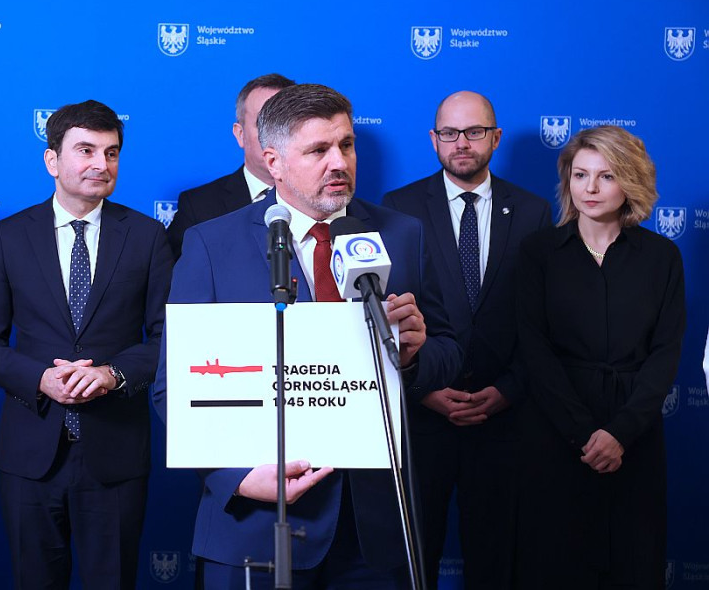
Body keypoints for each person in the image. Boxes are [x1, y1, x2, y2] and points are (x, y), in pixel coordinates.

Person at [153, 84, 462, 588]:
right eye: (318, 150)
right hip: (255, 526)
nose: (339, 162)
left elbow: (448, 354)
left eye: (346, 145)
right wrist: (236, 477)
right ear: (273, 162)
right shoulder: (210, 244)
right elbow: (174, 388)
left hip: (372, 532)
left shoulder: (402, 234)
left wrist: (410, 356)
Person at [0, 100, 173, 589]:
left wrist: (112, 374)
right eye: (86, 150)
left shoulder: (146, 236)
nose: (101, 164)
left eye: (111, 152)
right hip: (31, 453)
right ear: (52, 160)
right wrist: (39, 378)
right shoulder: (9, 236)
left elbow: (169, 337)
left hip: (116, 452)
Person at [381, 91, 552, 588]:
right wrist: (422, 390)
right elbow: (383, 317)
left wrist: (508, 391)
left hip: (502, 422)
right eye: (450, 133)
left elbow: (540, 321)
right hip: (422, 421)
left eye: (474, 132)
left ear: (495, 138)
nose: (462, 143)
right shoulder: (399, 208)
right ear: (433, 139)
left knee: (496, 564)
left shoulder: (533, 211)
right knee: (416, 562)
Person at [514, 125, 685, 589]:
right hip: (555, 433)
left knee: (634, 563)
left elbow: (666, 353)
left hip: (635, 436)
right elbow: (534, 350)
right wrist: (583, 434)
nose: (590, 188)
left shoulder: (662, 257)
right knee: (555, 565)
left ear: (630, 181)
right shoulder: (538, 252)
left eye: (606, 176)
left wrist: (620, 434)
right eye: (580, 175)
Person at [166, 73, 296, 258]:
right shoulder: (199, 207)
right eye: (264, 122)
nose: (276, 134)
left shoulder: (326, 200)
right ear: (240, 134)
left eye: (285, 122)